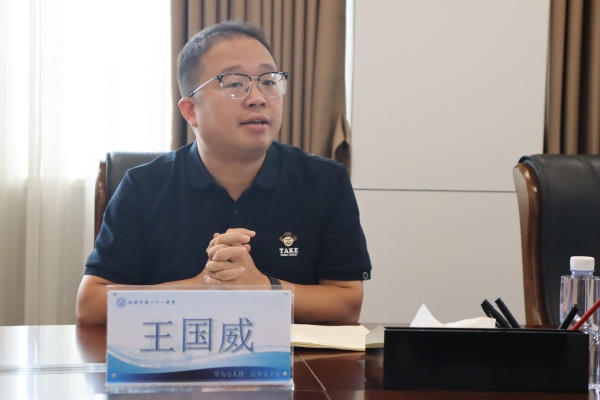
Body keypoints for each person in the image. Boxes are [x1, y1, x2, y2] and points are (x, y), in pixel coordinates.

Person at [75, 20, 372, 325]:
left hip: (291, 356)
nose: (258, 97)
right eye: (234, 84)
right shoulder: (143, 187)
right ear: (191, 110)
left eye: (268, 81)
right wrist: (199, 288)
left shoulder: (324, 182)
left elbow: (347, 303)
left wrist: (264, 288)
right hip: (177, 354)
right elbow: (91, 305)